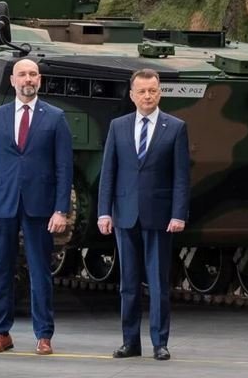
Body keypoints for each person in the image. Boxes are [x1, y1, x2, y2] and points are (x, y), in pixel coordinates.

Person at [0, 58, 74, 356]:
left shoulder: (55, 117)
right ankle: (0, 333)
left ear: (39, 80)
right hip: (3, 206)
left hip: (40, 207)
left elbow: (64, 168)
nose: (28, 79)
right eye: (22, 74)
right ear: (13, 80)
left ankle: (43, 335)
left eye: (33, 74)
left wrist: (61, 209)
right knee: (2, 271)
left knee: (40, 272)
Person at [97, 68, 190, 361]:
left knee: (159, 283)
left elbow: (181, 177)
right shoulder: (118, 126)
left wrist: (178, 214)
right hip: (125, 216)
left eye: (152, 91)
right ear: (132, 95)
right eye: (142, 91)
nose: (147, 96)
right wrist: (103, 212)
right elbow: (108, 173)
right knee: (128, 284)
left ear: (159, 93)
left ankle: (160, 343)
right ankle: (130, 342)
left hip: (160, 217)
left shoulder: (175, 127)